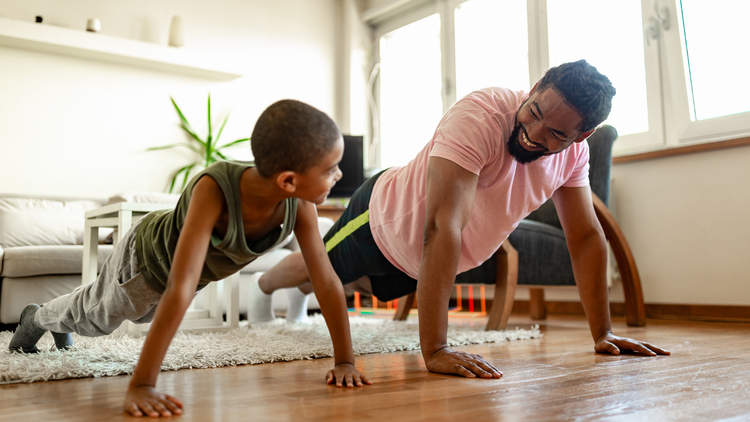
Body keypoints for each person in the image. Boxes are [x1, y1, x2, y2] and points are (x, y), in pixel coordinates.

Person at [250, 60, 670, 380]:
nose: (535, 132)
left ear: (581, 136)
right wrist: (435, 350)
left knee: (348, 285)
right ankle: (263, 288)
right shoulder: (481, 115)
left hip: (421, 262)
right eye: (536, 111)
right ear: (536, 87)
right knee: (320, 266)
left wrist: (603, 333)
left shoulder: (574, 156)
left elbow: (584, 236)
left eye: (557, 134)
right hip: (383, 220)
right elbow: (442, 226)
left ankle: (300, 295)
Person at [8, 99, 372, 417]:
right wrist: (142, 385)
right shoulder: (213, 188)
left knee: (140, 313)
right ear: (288, 181)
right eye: (330, 169)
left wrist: (344, 361)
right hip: (145, 258)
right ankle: (37, 318)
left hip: (188, 276)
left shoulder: (299, 205)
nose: (338, 176)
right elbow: (179, 288)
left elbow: (324, 280)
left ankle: (52, 317)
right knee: (99, 319)